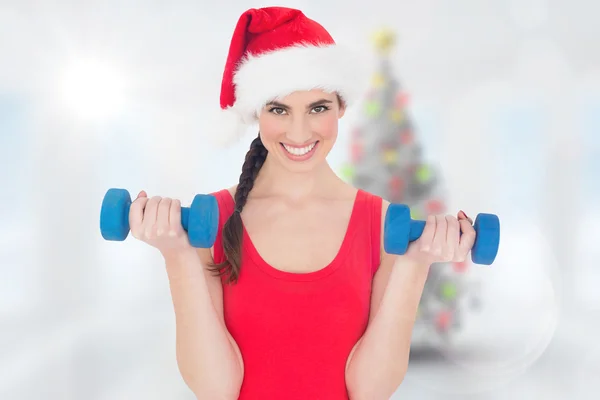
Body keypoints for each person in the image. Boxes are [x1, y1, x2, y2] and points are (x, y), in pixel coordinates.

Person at [129, 6, 476, 400]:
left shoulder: (379, 224)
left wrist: (415, 265)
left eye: (318, 108)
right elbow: (216, 389)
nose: (299, 131)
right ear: (256, 112)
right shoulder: (213, 221)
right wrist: (177, 256)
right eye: (279, 109)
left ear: (340, 107)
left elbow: (370, 390)